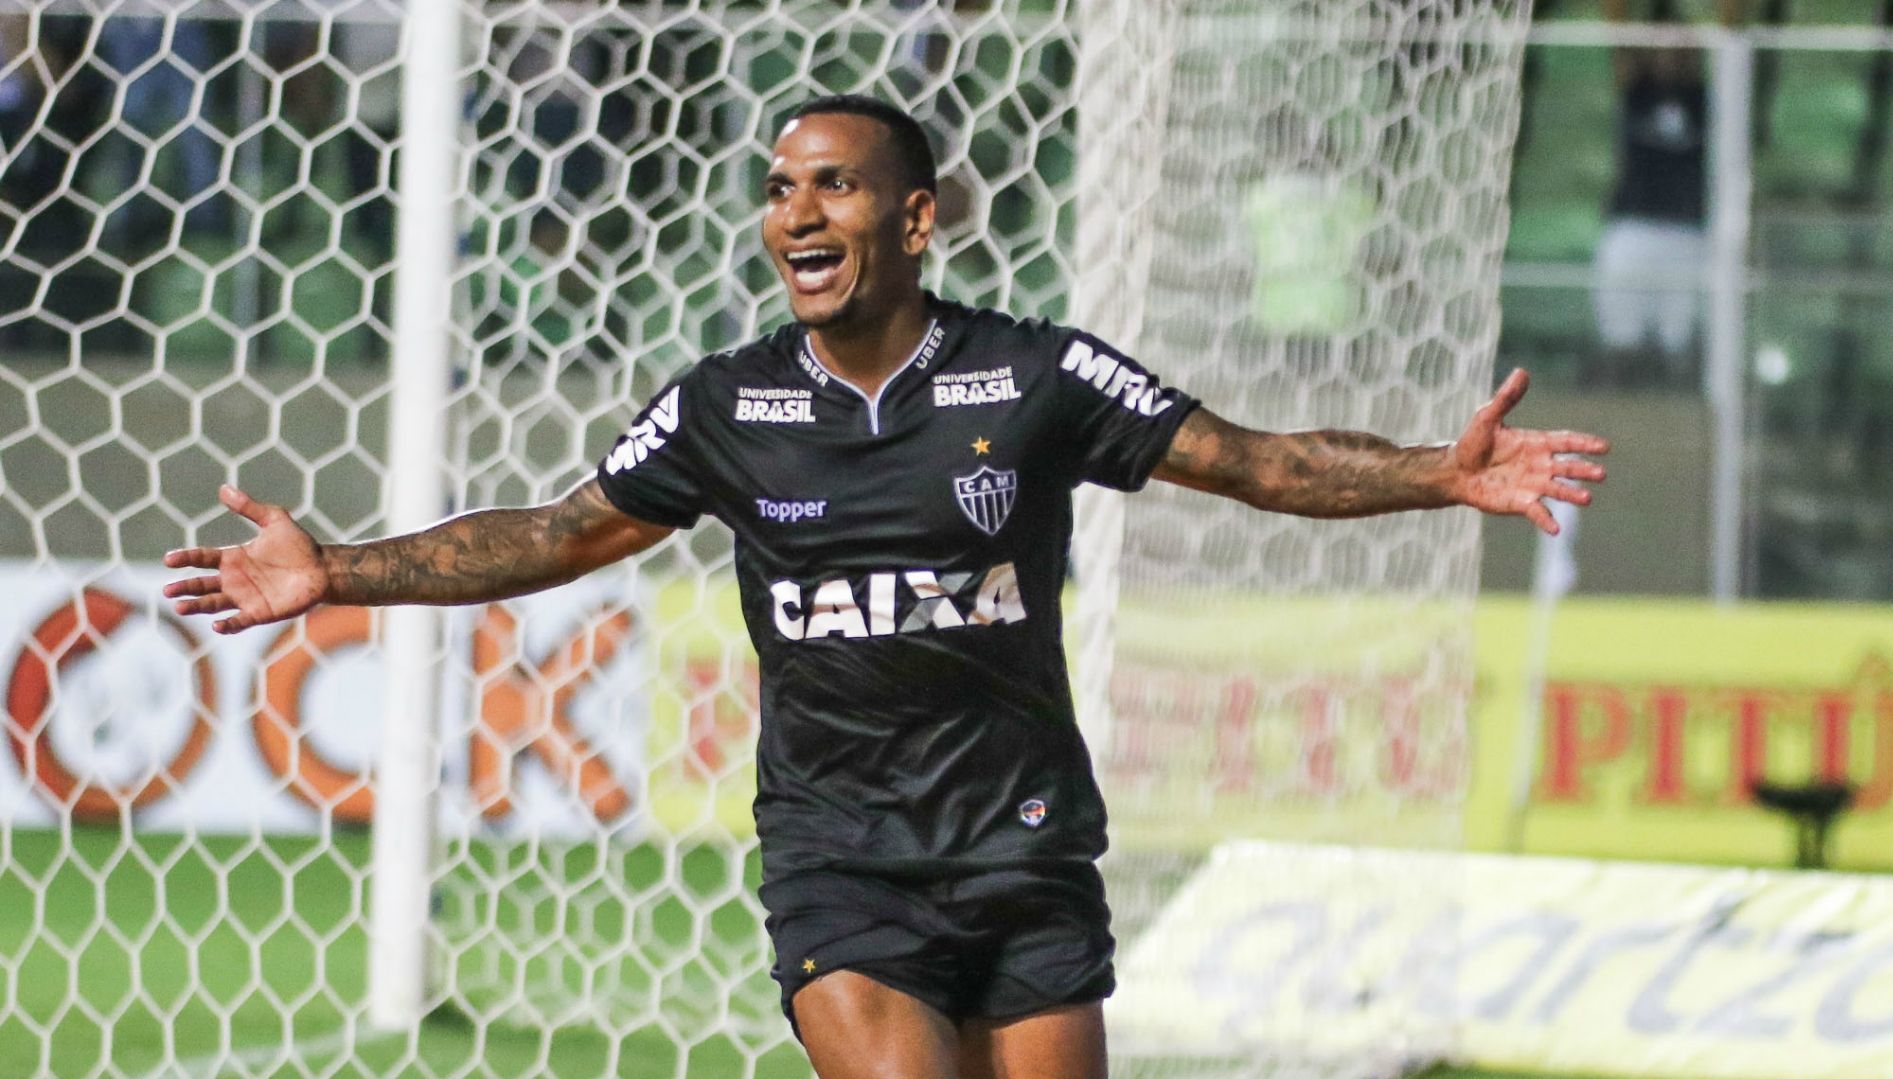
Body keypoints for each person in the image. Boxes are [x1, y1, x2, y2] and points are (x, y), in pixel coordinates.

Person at [163, 94, 1608, 1079]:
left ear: (914, 220)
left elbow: (1251, 462)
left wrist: (1440, 473)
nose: (797, 211)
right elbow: (557, 534)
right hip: (841, 858)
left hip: (1026, 845)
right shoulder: (725, 404)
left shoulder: (1036, 375)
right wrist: (335, 569)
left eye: (833, 185)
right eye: (781, 188)